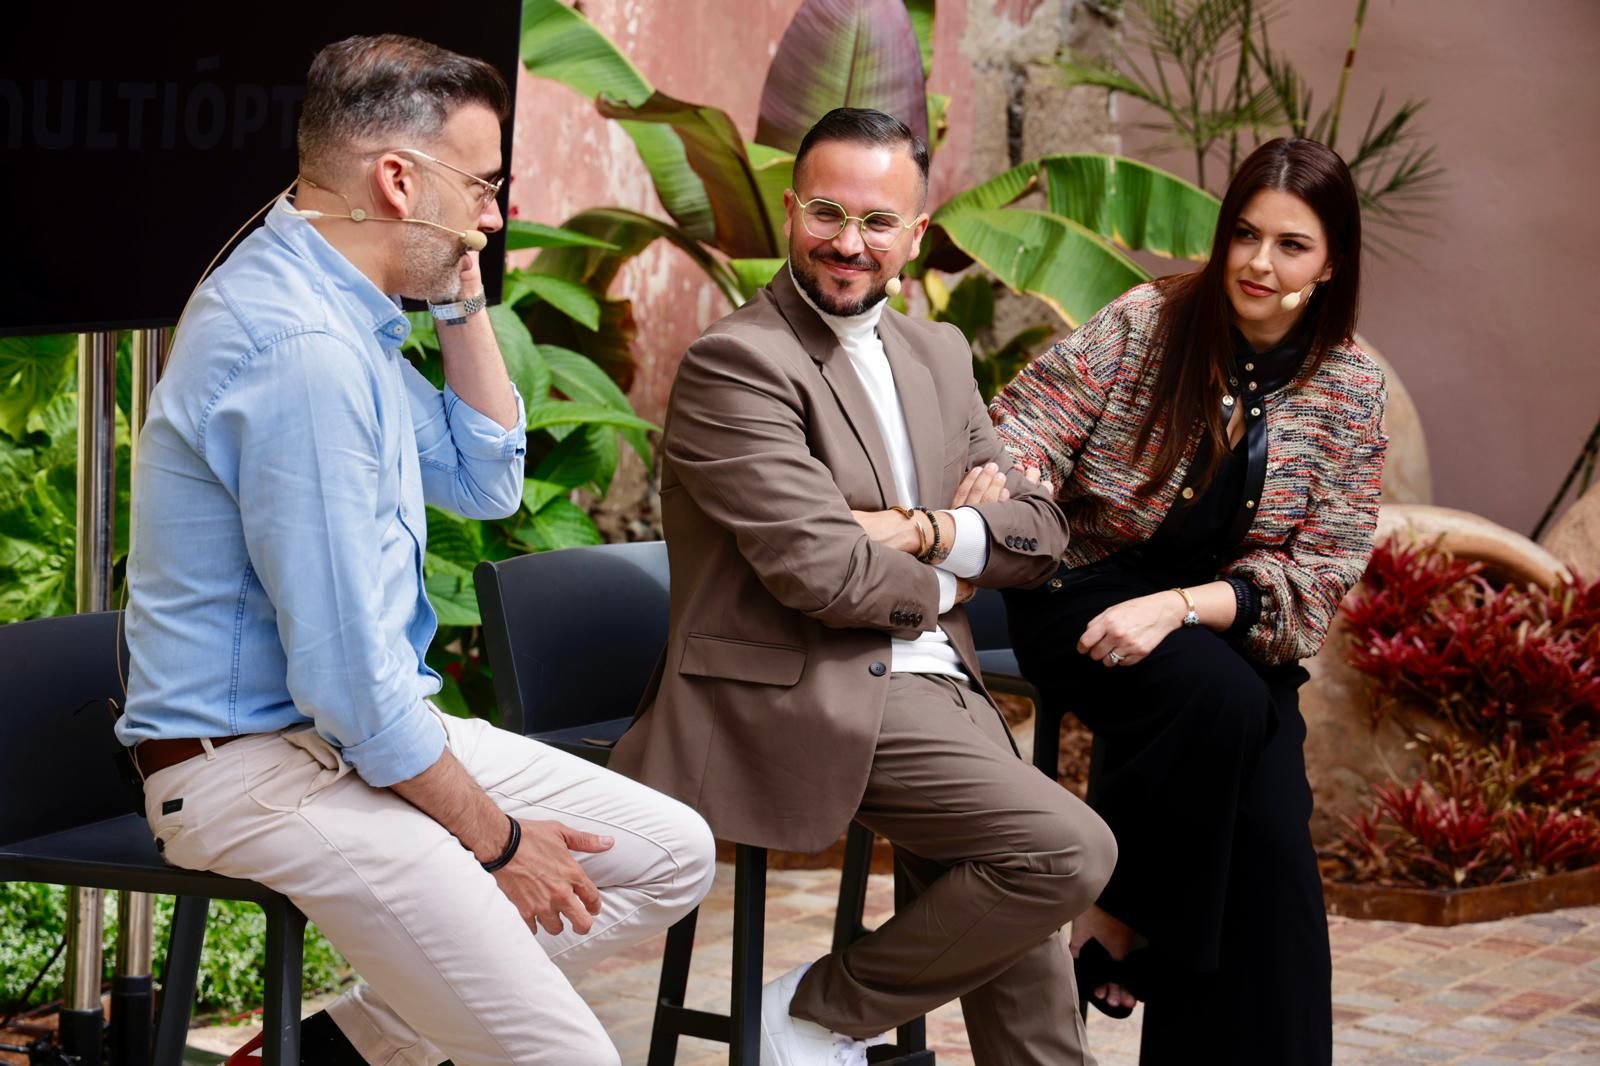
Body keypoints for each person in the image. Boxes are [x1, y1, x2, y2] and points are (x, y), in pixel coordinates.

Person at [117, 34, 714, 1066]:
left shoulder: (340, 305)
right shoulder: (302, 351)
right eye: (481, 188)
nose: (493, 215)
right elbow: (352, 683)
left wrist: (459, 292)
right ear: (397, 179)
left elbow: (485, 477)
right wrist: (503, 845)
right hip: (250, 768)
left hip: (348, 737)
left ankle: (338, 1050)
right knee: (568, 1056)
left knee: (668, 855)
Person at [607, 107, 1117, 1066]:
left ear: (916, 235)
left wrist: (926, 530)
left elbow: (1043, 536)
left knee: (1009, 895)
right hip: (807, 688)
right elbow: (825, 573)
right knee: (1066, 852)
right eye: (827, 214)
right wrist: (965, 572)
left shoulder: (939, 355)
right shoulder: (738, 364)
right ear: (793, 208)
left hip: (941, 686)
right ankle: (815, 1012)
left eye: (878, 222)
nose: (849, 244)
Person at [989, 137, 1386, 1064]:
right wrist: (1013, 479)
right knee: (1227, 703)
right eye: (1245, 233)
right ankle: (1118, 923)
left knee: (1276, 875)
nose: (1258, 261)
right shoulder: (1146, 322)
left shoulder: (1352, 387)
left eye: (1292, 244)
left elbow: (1321, 573)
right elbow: (1026, 426)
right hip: (1079, 595)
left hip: (1222, 631)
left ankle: (1123, 926)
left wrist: (1181, 607)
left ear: (1331, 264)